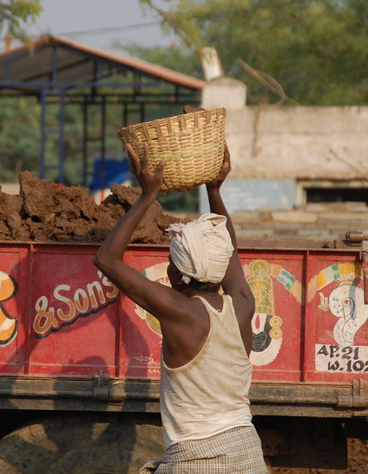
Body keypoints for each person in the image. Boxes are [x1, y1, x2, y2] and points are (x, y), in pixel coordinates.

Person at [94, 142, 267, 473]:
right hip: (247, 451)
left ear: (178, 274)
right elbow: (227, 249)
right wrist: (214, 190)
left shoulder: (180, 312)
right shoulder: (242, 305)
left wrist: (147, 195)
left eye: (171, 261)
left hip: (196, 459)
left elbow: (106, 259)